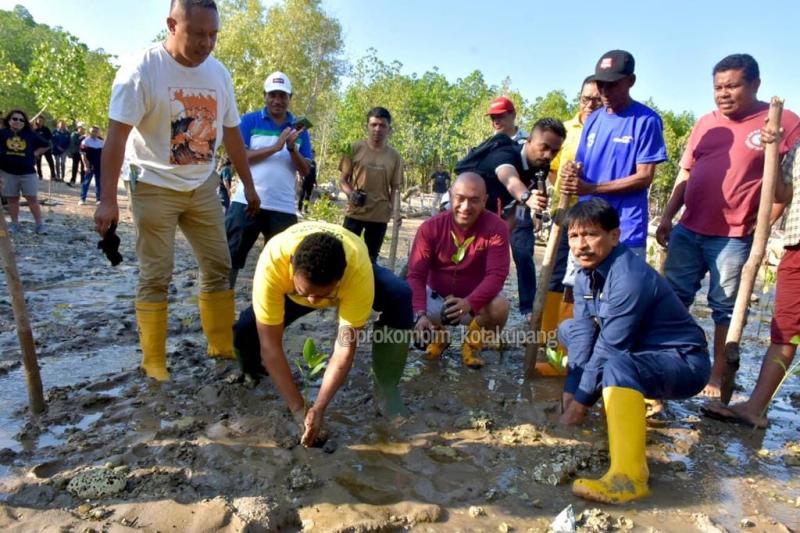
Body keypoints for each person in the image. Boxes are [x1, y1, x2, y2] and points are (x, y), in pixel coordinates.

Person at [94, 0, 261, 381]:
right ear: (172, 24)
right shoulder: (142, 70)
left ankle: (220, 344)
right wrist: (106, 200)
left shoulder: (219, 74)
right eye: (198, 33)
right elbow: (116, 136)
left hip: (202, 184)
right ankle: (154, 361)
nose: (207, 43)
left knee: (218, 266)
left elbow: (232, 133)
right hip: (152, 183)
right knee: (157, 273)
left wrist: (248, 185)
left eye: (213, 34)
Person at [656, 53, 800, 398]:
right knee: (672, 299)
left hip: (734, 237)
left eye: (732, 86)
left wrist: (763, 227)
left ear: (754, 84)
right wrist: (667, 215)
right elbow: (686, 172)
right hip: (689, 229)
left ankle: (717, 376)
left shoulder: (782, 123)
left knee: (724, 309)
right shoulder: (708, 123)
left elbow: (786, 185)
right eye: (718, 87)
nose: (723, 93)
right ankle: (665, 364)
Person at [558, 198, 709, 503]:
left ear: (614, 236)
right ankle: (623, 399)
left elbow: (608, 348)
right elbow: (585, 333)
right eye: (574, 236)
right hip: (640, 352)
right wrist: (569, 392)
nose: (581, 244)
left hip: (683, 362)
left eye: (591, 234)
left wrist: (577, 410)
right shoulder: (585, 274)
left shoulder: (629, 277)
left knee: (615, 364)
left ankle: (629, 478)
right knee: (569, 330)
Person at [232, 221, 413, 445]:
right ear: (291, 266)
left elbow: (344, 351)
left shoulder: (356, 271)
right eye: (306, 293)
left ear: (341, 277)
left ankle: (386, 389)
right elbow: (271, 346)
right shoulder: (273, 263)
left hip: (349, 264)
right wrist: (299, 409)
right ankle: (253, 372)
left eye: (321, 295)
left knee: (400, 294)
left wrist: (319, 407)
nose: (313, 302)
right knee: (244, 332)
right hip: (290, 290)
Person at [702, 129, 800, 427]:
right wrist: (771, 156)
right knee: (785, 327)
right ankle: (755, 408)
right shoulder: (799, 145)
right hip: (797, 243)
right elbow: (784, 193)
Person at [561, 50, 667, 257]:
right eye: (601, 85)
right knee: (582, 287)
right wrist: (570, 173)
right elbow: (581, 165)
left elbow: (645, 177)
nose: (605, 91)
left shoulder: (646, 121)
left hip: (625, 226)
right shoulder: (593, 119)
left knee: (623, 286)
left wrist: (593, 188)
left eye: (612, 85)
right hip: (588, 225)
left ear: (630, 81)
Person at [460, 118, 565, 318]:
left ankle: (487, 320)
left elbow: (518, 207)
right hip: (461, 210)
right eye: (544, 147)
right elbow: (509, 178)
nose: (548, 155)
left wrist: (503, 232)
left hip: (492, 215)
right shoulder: (507, 154)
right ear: (529, 141)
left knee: (501, 261)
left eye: (554, 151)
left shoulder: (541, 168)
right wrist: (527, 196)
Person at [408, 173, 510, 369]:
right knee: (403, 299)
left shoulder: (497, 228)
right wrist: (419, 314)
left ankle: (472, 346)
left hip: (474, 302)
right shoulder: (430, 228)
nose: (465, 207)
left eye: (474, 200)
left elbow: (497, 275)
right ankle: (438, 337)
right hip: (436, 299)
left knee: (500, 307)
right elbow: (416, 276)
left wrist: (470, 302)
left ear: (485, 201)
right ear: (450, 195)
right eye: (460, 198)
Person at [226, 71, 312, 288]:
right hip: (246, 201)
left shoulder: (299, 128)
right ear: (265, 96)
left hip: (282, 207)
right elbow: (239, 156)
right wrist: (275, 147)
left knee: (282, 265)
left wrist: (292, 148)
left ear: (290, 98)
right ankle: (220, 311)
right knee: (229, 259)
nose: (277, 101)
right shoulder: (248, 120)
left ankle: (268, 317)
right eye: (273, 94)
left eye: (282, 95)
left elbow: (306, 171)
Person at [542, 77, 602, 340]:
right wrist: (563, 189)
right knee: (554, 273)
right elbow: (552, 170)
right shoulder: (566, 131)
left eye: (596, 99)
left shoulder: (606, 131)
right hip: (564, 214)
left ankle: (570, 335)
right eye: (585, 98)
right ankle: (545, 332)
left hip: (592, 218)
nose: (590, 104)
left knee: (582, 277)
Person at [339, 106, 403, 261]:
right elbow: (342, 180)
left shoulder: (395, 156)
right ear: (367, 126)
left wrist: (395, 211)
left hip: (379, 216)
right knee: (344, 255)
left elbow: (395, 187)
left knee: (371, 259)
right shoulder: (354, 148)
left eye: (382, 125)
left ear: (389, 129)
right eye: (373, 125)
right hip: (355, 212)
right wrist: (350, 193)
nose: (377, 129)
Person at [0, 109, 50, 234]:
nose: (18, 121)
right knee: (12, 199)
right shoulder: (2, 133)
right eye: (15, 119)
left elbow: (47, 144)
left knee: (32, 198)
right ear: (9, 120)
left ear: (24, 122)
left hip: (27, 172)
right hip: (7, 172)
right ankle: (14, 223)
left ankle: (39, 225)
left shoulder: (30, 134)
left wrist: (36, 153)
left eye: (21, 120)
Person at [79, 126, 104, 205]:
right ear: (90, 132)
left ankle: (98, 199)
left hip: (98, 165)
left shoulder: (101, 142)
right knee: (86, 182)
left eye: (96, 131)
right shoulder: (85, 142)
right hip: (89, 164)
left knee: (99, 182)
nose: (94, 133)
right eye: (92, 131)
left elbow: (103, 155)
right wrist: (86, 166)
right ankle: (82, 199)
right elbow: (83, 155)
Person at [32, 116, 55, 181]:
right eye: (39, 121)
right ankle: (40, 175)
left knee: (51, 162)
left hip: (46, 148)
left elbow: (50, 138)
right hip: (38, 149)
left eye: (41, 121)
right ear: (36, 121)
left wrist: (50, 146)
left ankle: (53, 175)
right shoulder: (34, 129)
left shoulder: (46, 129)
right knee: (38, 163)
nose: (40, 122)